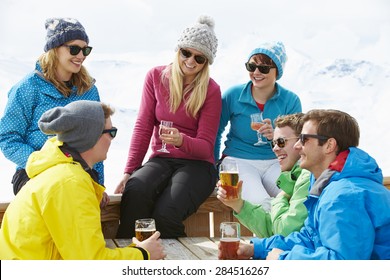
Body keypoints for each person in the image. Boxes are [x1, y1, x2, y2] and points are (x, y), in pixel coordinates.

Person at [0, 100, 166, 260]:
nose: (111, 140)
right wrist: (143, 254)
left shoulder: (60, 171)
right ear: (90, 137)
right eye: (111, 132)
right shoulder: (70, 183)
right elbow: (90, 262)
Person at [227, 109, 390, 260]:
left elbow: (343, 265)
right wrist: (257, 248)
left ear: (329, 145)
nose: (298, 146)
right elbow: (309, 237)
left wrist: (283, 259)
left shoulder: (344, 196)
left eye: (304, 139)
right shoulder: (329, 185)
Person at [114, 15, 221, 238]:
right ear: (178, 50)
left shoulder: (211, 90)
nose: (191, 61)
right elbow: (143, 126)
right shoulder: (155, 77)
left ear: (206, 63)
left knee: (165, 214)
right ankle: (129, 257)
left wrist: (181, 140)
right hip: (162, 158)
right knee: (136, 191)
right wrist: (129, 171)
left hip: (198, 166)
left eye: (199, 58)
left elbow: (205, 147)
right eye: (186, 53)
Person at [0, 18, 105, 199]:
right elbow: (8, 138)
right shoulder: (27, 88)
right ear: (54, 49)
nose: (81, 56)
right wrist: (43, 162)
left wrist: (99, 184)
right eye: (74, 49)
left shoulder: (88, 90)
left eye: (85, 50)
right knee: (63, 193)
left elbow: (96, 140)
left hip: (80, 174)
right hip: (35, 173)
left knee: (76, 194)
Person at [214, 41, 302, 211]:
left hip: (276, 162)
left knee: (294, 200)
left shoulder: (291, 100)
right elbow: (216, 132)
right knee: (263, 205)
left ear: (277, 71)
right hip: (238, 161)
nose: (256, 72)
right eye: (251, 66)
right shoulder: (233, 95)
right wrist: (211, 167)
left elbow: (296, 142)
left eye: (263, 68)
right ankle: (271, 237)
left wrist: (276, 138)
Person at [217, 113, 310, 238]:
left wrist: (280, 197)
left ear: (302, 142)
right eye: (273, 143)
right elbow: (272, 230)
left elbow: (284, 233)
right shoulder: (293, 178)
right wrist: (238, 204)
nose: (275, 148)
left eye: (281, 142)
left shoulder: (308, 177)